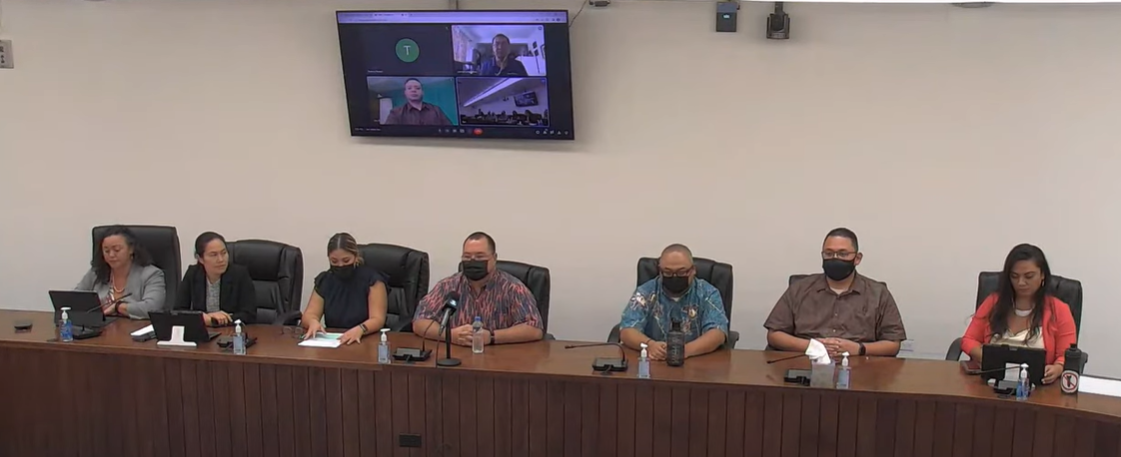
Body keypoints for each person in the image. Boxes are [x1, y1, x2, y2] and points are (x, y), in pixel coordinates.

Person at [764, 228, 907, 358]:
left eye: (843, 254)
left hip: (859, 364)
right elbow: (774, 335)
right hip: (804, 360)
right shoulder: (800, 288)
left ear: (857, 258)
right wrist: (814, 347)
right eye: (829, 253)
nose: (835, 258)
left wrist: (859, 348)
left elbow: (893, 344)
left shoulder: (878, 293)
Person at [961, 244, 1076, 385]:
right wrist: (986, 358)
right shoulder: (993, 302)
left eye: (1029, 276)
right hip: (991, 383)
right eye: (1014, 276)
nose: (1021, 283)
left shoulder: (1059, 310)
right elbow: (968, 340)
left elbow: (1065, 355)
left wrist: (1058, 368)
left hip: (1037, 388)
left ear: (1042, 275)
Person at [412, 232, 543, 346]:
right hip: (457, 359)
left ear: (494, 258)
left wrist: (491, 337)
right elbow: (420, 321)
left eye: (480, 257)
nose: (473, 261)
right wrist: (450, 335)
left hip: (501, 361)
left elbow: (534, 328)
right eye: (467, 257)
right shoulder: (447, 286)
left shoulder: (513, 288)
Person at [618, 244, 729, 360]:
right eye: (668, 272)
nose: (674, 277)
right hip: (654, 360)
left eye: (681, 272)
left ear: (693, 270)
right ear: (660, 271)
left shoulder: (708, 293)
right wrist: (650, 344)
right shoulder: (646, 292)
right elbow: (627, 330)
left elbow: (718, 332)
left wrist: (686, 350)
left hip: (695, 360)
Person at [300, 233, 389, 345]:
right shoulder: (326, 280)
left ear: (355, 256)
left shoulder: (372, 280)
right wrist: (312, 322)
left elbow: (377, 319)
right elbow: (309, 314)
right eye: (334, 261)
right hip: (335, 341)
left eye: (346, 260)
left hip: (367, 340)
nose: (340, 265)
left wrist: (360, 329)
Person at [74, 225, 167, 319]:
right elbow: (74, 299)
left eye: (116, 250)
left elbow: (152, 308)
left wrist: (118, 307)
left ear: (131, 249)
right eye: (106, 251)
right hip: (101, 329)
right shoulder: (96, 273)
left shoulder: (151, 274)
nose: (111, 255)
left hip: (134, 329)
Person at [175, 232, 257, 326]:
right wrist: (201, 317)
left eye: (224, 253)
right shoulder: (193, 274)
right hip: (203, 333)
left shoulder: (239, 274)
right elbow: (178, 311)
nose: (221, 259)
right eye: (213, 255)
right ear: (200, 258)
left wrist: (213, 320)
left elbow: (249, 315)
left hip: (230, 332)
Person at [383, 78, 452, 126]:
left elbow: (449, 129)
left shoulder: (436, 110)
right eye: (409, 88)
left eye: (417, 88)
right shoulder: (395, 113)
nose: (413, 90)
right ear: (405, 93)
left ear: (422, 92)